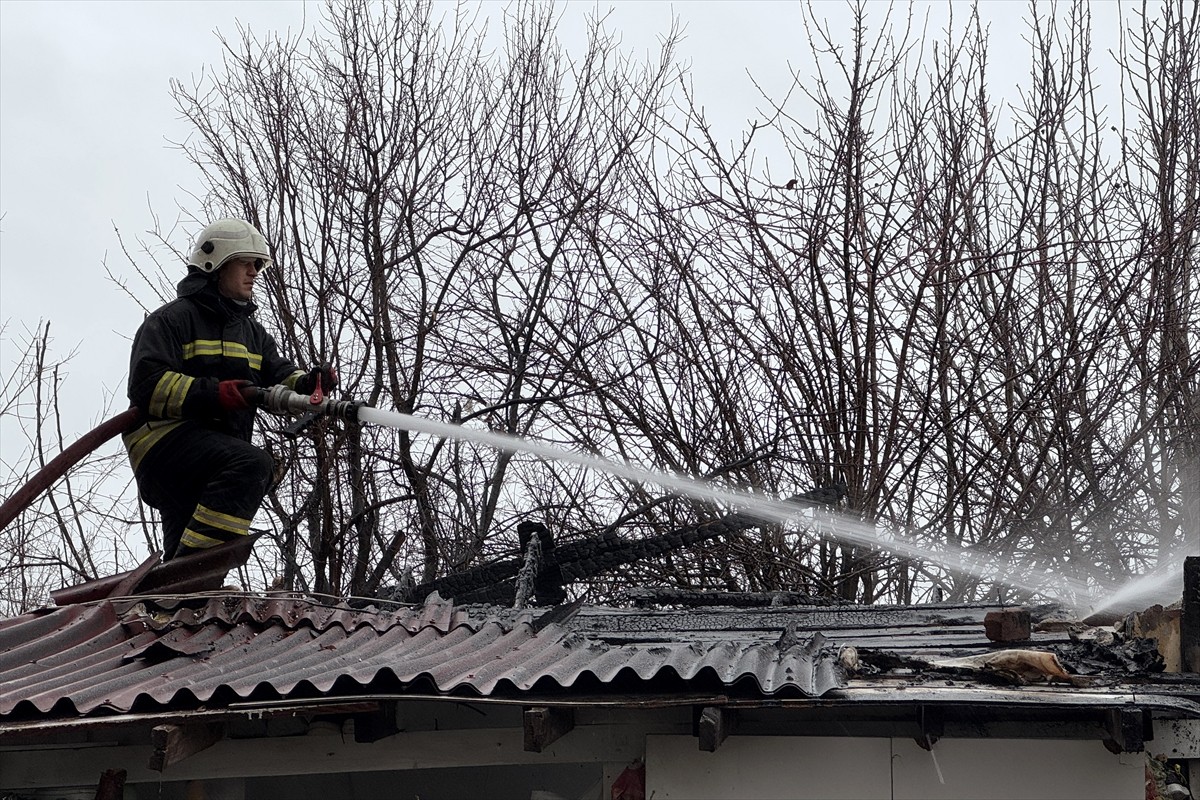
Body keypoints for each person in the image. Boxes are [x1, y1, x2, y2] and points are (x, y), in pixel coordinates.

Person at [123, 218, 336, 560]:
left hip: (212, 458)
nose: (254, 272)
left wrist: (309, 384)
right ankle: (193, 572)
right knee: (252, 465)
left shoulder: (251, 334)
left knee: (184, 553)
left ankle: (182, 587)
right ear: (216, 264)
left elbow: (278, 373)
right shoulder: (171, 320)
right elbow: (148, 385)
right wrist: (214, 394)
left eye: (258, 265)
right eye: (246, 262)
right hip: (163, 447)